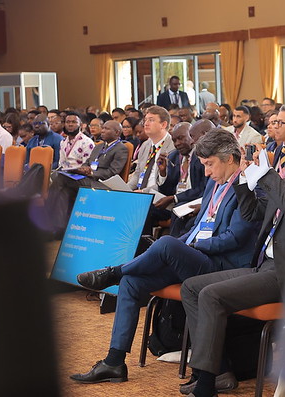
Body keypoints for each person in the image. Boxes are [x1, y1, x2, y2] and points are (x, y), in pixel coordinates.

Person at [69, 129, 260, 385]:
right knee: (132, 282)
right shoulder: (215, 183)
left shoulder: (248, 186)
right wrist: (187, 244)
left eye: (209, 164)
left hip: (224, 265)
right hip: (199, 256)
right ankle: (114, 362)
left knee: (167, 243)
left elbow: (235, 238)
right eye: (203, 165)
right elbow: (198, 227)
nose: (206, 172)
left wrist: (191, 245)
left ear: (229, 158)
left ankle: (114, 272)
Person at [179, 130, 285, 397]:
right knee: (191, 287)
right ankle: (217, 371)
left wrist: (267, 175)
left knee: (211, 295)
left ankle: (207, 381)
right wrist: (244, 179)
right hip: (264, 267)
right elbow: (252, 212)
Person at [47, 120, 129, 230]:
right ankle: (59, 226)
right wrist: (82, 169)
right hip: (87, 179)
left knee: (62, 179)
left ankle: (47, 217)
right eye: (103, 128)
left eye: (106, 129)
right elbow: (87, 162)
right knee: (63, 187)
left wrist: (91, 172)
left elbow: (112, 172)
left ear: (117, 132)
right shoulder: (98, 146)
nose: (103, 131)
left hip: (102, 183)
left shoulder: (121, 148)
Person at [127, 106, 176, 194]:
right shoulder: (145, 145)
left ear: (163, 125)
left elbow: (168, 182)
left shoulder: (173, 146)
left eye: (151, 120)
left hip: (159, 195)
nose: (146, 123)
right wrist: (126, 189)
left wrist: (144, 191)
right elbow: (138, 173)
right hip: (140, 193)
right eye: (145, 120)